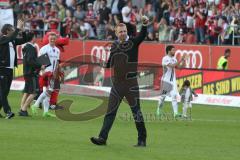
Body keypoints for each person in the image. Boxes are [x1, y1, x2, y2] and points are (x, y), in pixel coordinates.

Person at [90, 16, 149, 147]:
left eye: (124, 31)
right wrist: (102, 64)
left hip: (131, 83)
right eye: (120, 31)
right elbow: (110, 63)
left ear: (127, 31)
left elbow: (142, 35)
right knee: (110, 111)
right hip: (117, 84)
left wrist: (144, 25)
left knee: (136, 112)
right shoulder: (115, 45)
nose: (123, 33)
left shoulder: (134, 42)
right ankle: (102, 138)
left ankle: (142, 139)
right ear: (116, 33)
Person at [0, 20, 28, 119]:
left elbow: (24, 40)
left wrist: (23, 31)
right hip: (2, 69)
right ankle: (8, 112)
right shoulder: (2, 39)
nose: (13, 31)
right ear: (7, 31)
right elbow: (11, 37)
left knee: (5, 92)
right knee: (3, 92)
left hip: (10, 69)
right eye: (12, 30)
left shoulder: (11, 40)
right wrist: (18, 28)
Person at [156, 45, 186, 118]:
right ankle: (158, 109)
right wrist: (180, 60)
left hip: (173, 81)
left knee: (174, 96)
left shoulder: (174, 59)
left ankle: (175, 113)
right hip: (166, 81)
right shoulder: (165, 58)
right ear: (169, 51)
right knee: (163, 97)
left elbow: (179, 67)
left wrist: (183, 61)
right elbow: (171, 66)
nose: (174, 51)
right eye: (173, 50)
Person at [19, 32, 44, 116]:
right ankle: (23, 109)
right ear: (33, 37)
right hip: (31, 73)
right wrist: (40, 65)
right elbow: (30, 60)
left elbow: (29, 60)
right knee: (34, 92)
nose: (36, 38)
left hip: (27, 72)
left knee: (27, 91)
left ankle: (21, 108)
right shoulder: (31, 48)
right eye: (35, 36)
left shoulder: (26, 47)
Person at [37, 32, 62, 110]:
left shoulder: (57, 50)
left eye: (54, 39)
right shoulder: (44, 49)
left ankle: (47, 105)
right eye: (51, 38)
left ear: (56, 40)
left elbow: (57, 62)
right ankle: (38, 103)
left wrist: (58, 72)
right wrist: (43, 71)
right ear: (48, 39)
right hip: (45, 72)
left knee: (52, 89)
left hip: (53, 73)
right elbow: (40, 61)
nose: (52, 40)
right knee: (43, 89)